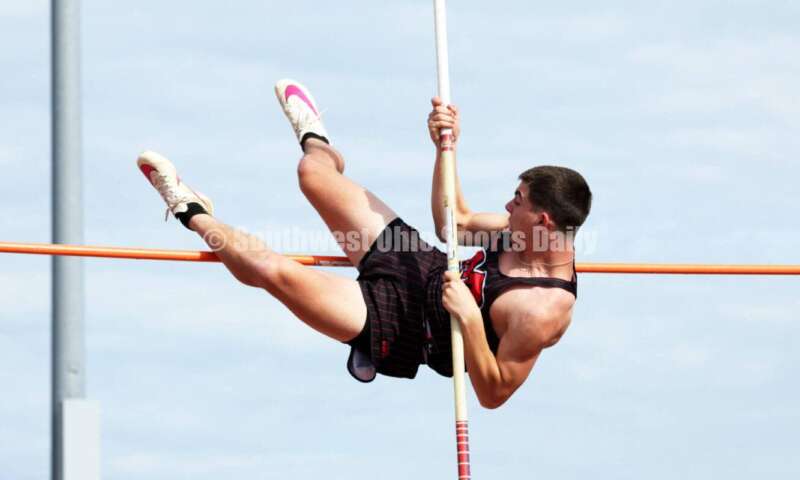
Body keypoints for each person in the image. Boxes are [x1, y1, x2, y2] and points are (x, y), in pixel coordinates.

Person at [136, 79, 592, 409]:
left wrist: (471, 319)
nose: (508, 206)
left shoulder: (543, 311)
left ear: (544, 220)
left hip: (405, 328)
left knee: (273, 272)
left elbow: (494, 393)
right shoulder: (514, 230)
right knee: (312, 175)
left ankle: (191, 212)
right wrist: (444, 148)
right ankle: (318, 139)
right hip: (422, 266)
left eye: (518, 200)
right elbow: (452, 221)